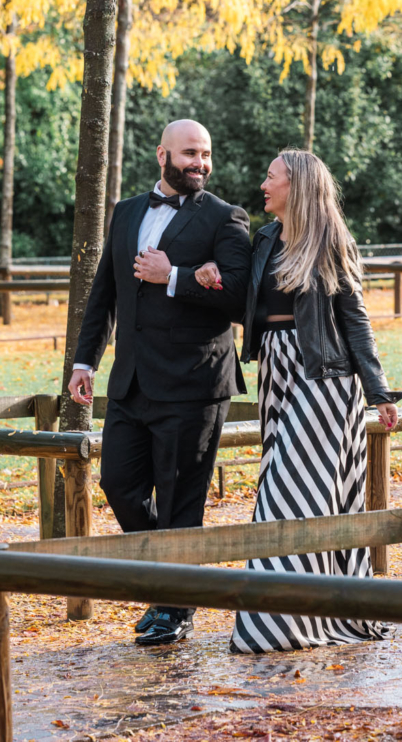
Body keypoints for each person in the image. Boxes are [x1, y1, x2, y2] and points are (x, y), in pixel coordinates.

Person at [195, 148, 402, 654]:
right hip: (276, 370)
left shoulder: (332, 241)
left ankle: (275, 625)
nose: (262, 184)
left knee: (287, 492)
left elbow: (356, 321)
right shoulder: (264, 238)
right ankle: (303, 617)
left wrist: (377, 391)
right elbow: (250, 303)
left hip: (324, 379)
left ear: (298, 186)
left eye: (272, 177)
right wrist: (211, 278)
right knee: (290, 488)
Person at [69, 119, 252, 647]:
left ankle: (173, 608)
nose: (200, 163)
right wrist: (85, 362)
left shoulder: (225, 218)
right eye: (190, 153)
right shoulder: (126, 212)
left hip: (194, 384)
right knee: (118, 485)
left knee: (179, 501)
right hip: (130, 382)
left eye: (206, 154)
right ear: (162, 155)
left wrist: (173, 276)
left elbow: (241, 298)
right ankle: (179, 579)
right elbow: (104, 292)